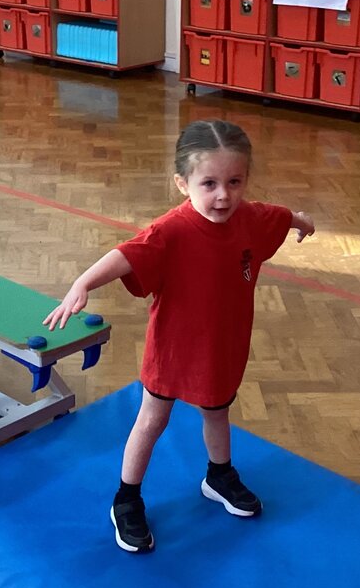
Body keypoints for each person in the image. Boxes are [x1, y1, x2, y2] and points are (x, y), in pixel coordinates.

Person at [44, 120, 316, 554]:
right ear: (182, 184)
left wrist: (302, 221)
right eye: (209, 184)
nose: (223, 195)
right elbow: (125, 255)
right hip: (172, 350)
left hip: (222, 346)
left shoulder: (248, 217)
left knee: (217, 411)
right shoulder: (170, 231)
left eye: (234, 182)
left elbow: (277, 215)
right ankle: (126, 498)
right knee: (152, 419)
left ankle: (219, 476)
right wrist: (83, 283)